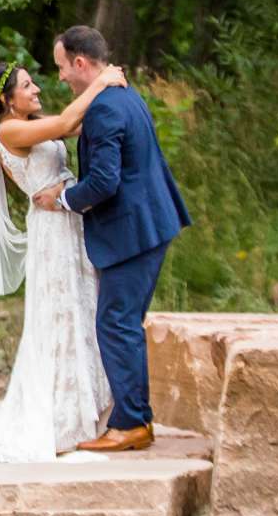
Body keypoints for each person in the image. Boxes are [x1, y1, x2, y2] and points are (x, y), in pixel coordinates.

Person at [0, 56, 128, 463]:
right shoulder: (10, 130)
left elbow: (73, 124)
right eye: (27, 85)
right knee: (59, 311)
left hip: (67, 219)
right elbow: (65, 122)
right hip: (51, 230)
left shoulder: (27, 122)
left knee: (83, 306)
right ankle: (62, 417)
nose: (37, 88)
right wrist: (102, 79)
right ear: (7, 100)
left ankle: (92, 409)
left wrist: (105, 94)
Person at [32, 25, 190, 452]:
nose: (61, 76)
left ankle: (132, 424)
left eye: (63, 67)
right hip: (150, 222)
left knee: (116, 324)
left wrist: (61, 199)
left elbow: (103, 183)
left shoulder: (104, 108)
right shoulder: (121, 95)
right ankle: (134, 419)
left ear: (80, 63)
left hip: (133, 230)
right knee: (121, 323)